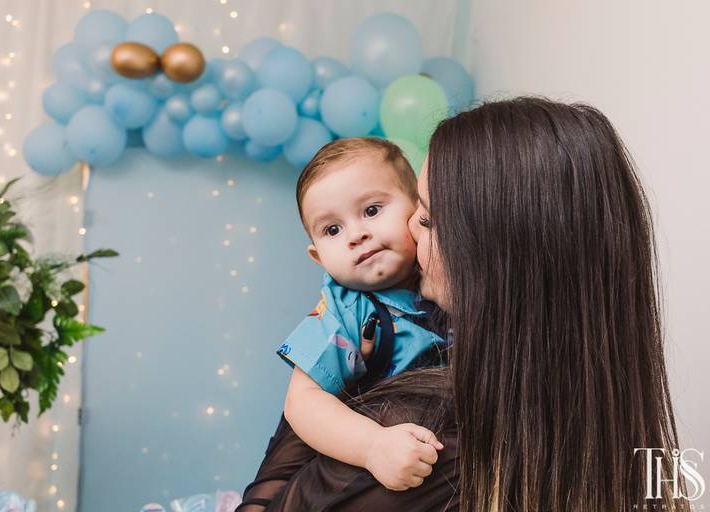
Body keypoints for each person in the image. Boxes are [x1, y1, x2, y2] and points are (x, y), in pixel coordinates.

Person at [238, 97, 687, 511]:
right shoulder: (356, 318)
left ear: (497, 258)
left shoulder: (440, 434)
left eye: (427, 217)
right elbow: (304, 410)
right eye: (331, 229)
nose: (409, 229)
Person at [275, 138, 452, 491]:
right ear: (318, 257)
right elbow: (303, 403)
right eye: (332, 230)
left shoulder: (446, 271)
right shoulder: (345, 309)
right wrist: (372, 446)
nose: (356, 235)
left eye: (372, 210)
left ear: (419, 211)